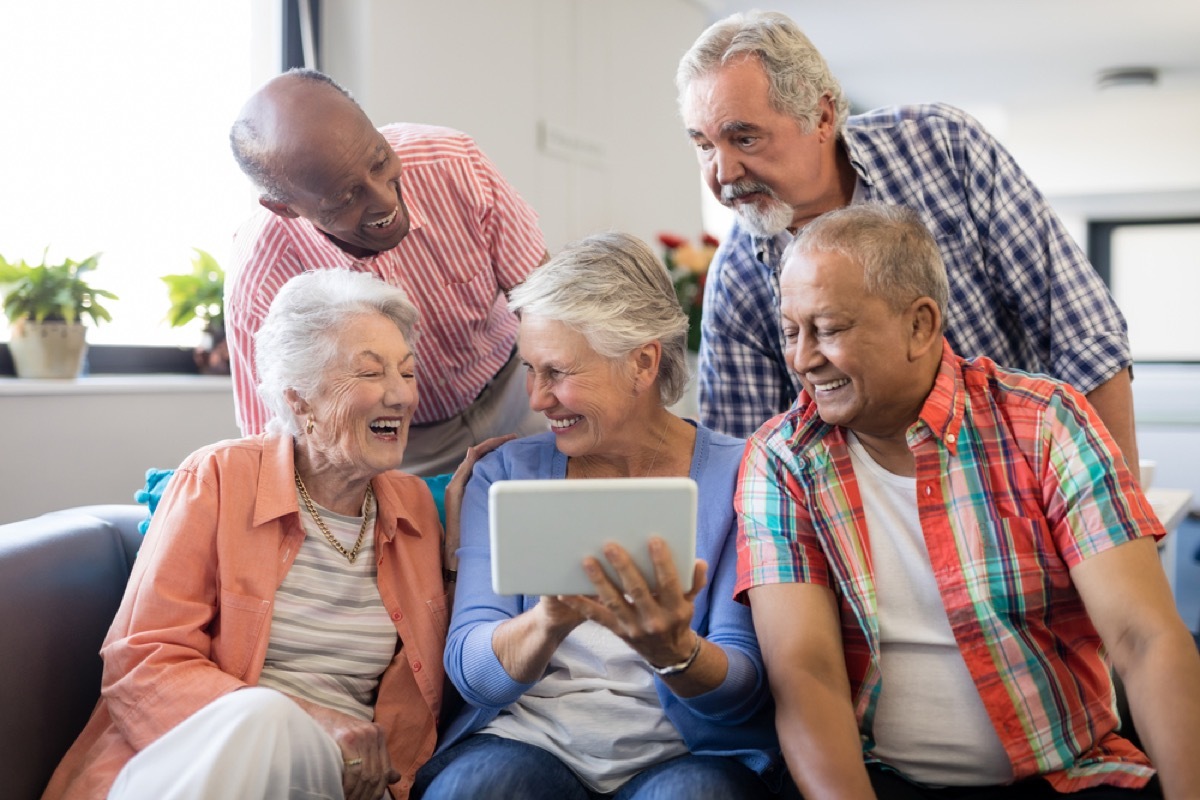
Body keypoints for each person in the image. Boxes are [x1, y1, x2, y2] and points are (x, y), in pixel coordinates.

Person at [736, 204, 1200, 799]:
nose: (802, 358)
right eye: (791, 330)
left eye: (828, 329)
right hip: (881, 781)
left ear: (920, 325)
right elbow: (807, 677)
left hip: (1065, 775)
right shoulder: (782, 459)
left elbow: (1145, 639)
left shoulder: (1044, 423)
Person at [43, 269, 455, 800]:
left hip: (333, 781)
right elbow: (142, 661)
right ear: (299, 399)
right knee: (263, 718)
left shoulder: (417, 510)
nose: (400, 396)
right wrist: (306, 719)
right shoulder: (217, 479)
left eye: (407, 372)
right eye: (371, 374)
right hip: (193, 760)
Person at [676, 11, 1140, 473]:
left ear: (821, 116)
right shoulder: (735, 279)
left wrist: (1119, 513)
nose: (722, 173)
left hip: (1035, 479)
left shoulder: (943, 150)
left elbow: (1083, 335)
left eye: (745, 138)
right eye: (704, 145)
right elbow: (751, 462)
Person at [413, 233, 782, 799]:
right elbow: (471, 670)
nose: (536, 399)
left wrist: (676, 651)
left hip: (683, 753)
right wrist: (549, 619)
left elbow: (745, 686)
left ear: (642, 361)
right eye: (529, 371)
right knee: (484, 787)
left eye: (557, 372)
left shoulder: (741, 474)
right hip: (529, 742)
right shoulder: (505, 473)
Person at [228, 68, 549, 476]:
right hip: (395, 444)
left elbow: (546, 307)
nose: (385, 200)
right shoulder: (259, 280)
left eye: (380, 162)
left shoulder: (455, 164)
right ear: (286, 207)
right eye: (346, 196)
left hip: (516, 390)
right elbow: (275, 442)